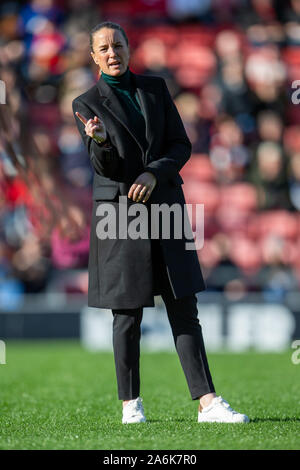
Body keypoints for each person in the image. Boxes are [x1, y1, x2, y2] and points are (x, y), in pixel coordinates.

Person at [72, 21, 249, 424]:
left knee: (183, 305)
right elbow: (106, 168)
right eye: (104, 48)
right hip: (119, 217)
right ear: (93, 57)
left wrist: (154, 173)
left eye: (118, 45)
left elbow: (180, 144)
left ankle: (208, 403)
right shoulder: (85, 104)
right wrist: (98, 141)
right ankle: (130, 406)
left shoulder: (155, 88)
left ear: (129, 49)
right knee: (127, 313)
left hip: (164, 204)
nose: (112, 53)